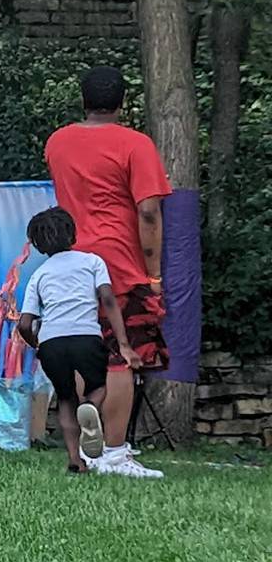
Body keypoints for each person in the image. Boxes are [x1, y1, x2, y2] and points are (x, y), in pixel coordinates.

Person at [44, 67, 171, 466]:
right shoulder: (136, 144)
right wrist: (153, 275)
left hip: (70, 260)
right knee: (122, 354)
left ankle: (86, 446)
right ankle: (113, 452)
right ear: (122, 102)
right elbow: (148, 212)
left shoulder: (57, 142)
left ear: (83, 100)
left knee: (85, 348)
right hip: (119, 263)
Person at [17, 208, 159, 477]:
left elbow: (25, 323)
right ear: (73, 233)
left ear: (38, 244)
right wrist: (124, 344)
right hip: (86, 337)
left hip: (51, 343)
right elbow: (108, 300)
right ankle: (92, 407)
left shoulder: (39, 274)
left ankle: (75, 460)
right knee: (97, 386)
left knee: (66, 398)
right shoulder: (92, 262)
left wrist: (36, 344)